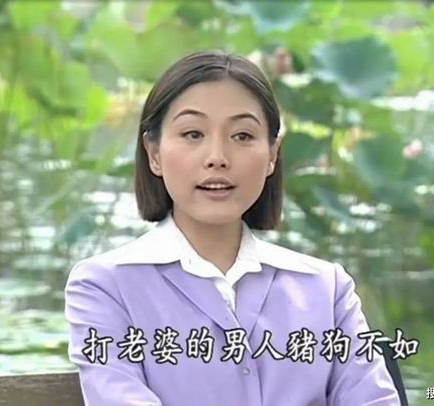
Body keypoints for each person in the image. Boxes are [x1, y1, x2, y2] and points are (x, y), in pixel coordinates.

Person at [65, 50, 400, 405]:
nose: (217, 158)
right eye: (193, 134)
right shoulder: (105, 286)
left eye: (242, 136)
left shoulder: (327, 289)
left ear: (272, 155)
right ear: (154, 153)